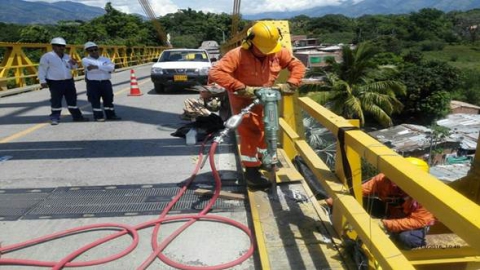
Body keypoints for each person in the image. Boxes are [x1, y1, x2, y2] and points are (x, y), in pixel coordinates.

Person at [208, 21, 306, 189]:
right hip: (244, 100)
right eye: (262, 50)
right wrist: (240, 87)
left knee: (267, 129)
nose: (266, 54)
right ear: (250, 42)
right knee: (250, 132)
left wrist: (291, 83)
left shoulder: (277, 52)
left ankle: (262, 160)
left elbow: (297, 65)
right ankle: (252, 172)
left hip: (267, 99)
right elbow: (216, 72)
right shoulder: (237, 54)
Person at [327, 157, 435, 249]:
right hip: (389, 213)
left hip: (413, 224)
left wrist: (383, 224)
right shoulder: (385, 180)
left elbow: (418, 221)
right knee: (355, 202)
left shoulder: (426, 195)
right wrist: (336, 200)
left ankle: (401, 252)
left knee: (406, 238)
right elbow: (359, 191)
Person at [38, 37, 89, 125]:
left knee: (72, 100)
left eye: (63, 46)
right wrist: (42, 80)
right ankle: (55, 118)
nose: (61, 48)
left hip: (68, 81)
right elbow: (42, 69)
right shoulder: (47, 56)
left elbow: (74, 68)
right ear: (53, 46)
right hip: (55, 82)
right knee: (56, 100)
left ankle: (77, 117)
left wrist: (74, 63)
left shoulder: (67, 56)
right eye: (59, 46)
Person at [81, 42, 121, 122]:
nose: (94, 51)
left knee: (109, 99)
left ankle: (111, 115)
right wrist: (105, 68)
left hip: (105, 82)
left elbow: (111, 68)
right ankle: (98, 117)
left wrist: (97, 67)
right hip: (93, 83)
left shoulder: (105, 59)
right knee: (95, 101)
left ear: (98, 49)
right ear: (87, 52)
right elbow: (90, 70)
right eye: (91, 50)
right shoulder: (85, 60)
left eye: (95, 49)